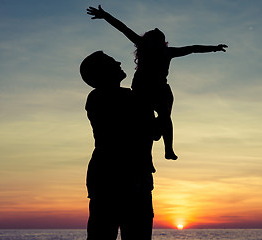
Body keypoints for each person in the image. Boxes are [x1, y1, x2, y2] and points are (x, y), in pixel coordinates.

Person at [87, 5, 228, 160]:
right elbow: (122, 28)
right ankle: (149, 152)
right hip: (142, 88)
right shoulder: (143, 45)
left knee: (165, 117)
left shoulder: (167, 52)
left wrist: (215, 48)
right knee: (144, 121)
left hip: (160, 89)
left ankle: (168, 148)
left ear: (163, 42)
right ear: (150, 39)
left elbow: (193, 48)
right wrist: (105, 15)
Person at [80, 51, 155, 240]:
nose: (119, 62)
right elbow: (151, 132)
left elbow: (150, 132)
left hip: (119, 177)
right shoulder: (107, 98)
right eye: (113, 62)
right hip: (120, 179)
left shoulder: (105, 97)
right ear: (103, 72)